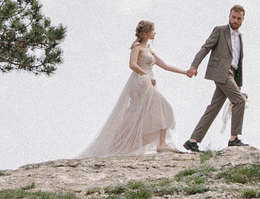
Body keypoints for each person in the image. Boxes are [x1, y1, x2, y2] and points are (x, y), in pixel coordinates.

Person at [77, 21, 196, 158]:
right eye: (153, 30)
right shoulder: (137, 47)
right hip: (141, 82)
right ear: (146, 33)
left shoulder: (149, 49)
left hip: (149, 82)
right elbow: (132, 65)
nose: (155, 33)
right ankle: (161, 144)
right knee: (162, 106)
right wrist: (146, 75)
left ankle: (155, 143)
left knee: (143, 113)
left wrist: (185, 72)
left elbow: (165, 65)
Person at [183, 4, 250, 151]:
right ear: (229, 16)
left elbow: (239, 60)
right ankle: (234, 138)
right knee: (239, 100)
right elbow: (205, 48)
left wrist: (238, 82)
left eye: (239, 18)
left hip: (232, 73)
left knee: (214, 108)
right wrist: (194, 66)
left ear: (243, 19)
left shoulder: (240, 37)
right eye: (233, 17)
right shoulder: (220, 31)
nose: (235, 20)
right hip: (221, 72)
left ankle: (192, 140)